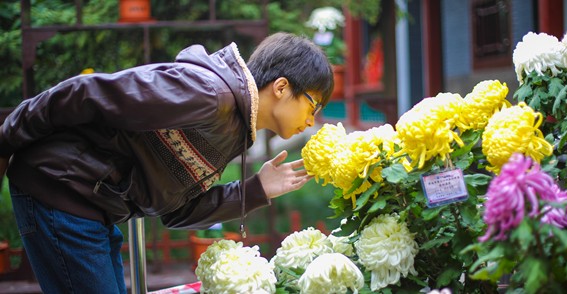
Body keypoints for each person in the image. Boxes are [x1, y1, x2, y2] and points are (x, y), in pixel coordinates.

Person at [0, 32, 333, 293]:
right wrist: (5, 142)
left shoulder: (235, 129)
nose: (311, 120)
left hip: (93, 208)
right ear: (281, 87)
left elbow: (175, 211)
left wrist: (256, 189)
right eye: (313, 105)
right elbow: (86, 92)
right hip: (61, 189)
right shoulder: (208, 95)